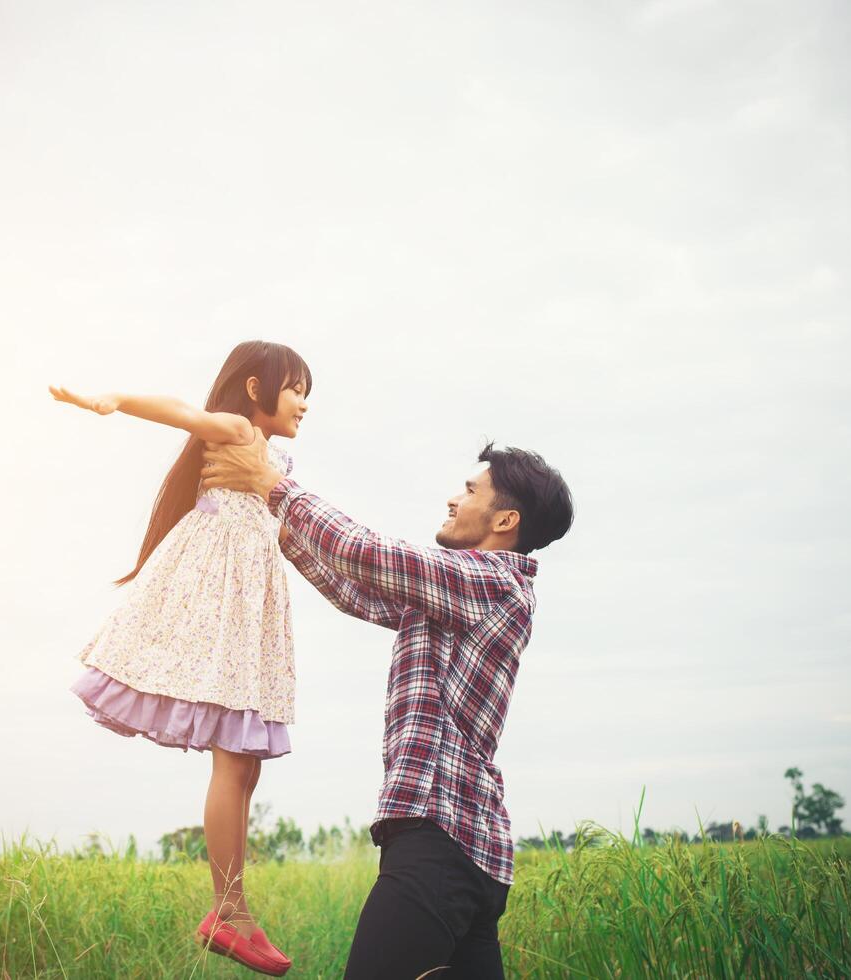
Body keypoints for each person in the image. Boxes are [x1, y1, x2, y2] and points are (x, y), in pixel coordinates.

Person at [200, 429, 573, 980]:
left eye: (470, 491)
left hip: (438, 840)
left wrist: (272, 484)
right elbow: (357, 586)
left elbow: (366, 551)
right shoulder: (456, 593)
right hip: (470, 853)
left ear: (504, 521)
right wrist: (272, 524)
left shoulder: (493, 582)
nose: (453, 498)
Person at [50, 340, 312, 977]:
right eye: (295, 388)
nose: (304, 403)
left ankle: (235, 910)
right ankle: (228, 910)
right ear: (255, 388)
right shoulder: (236, 429)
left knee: (246, 764)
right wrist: (113, 401)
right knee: (232, 759)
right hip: (220, 603)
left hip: (249, 610)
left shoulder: (271, 458)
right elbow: (177, 409)